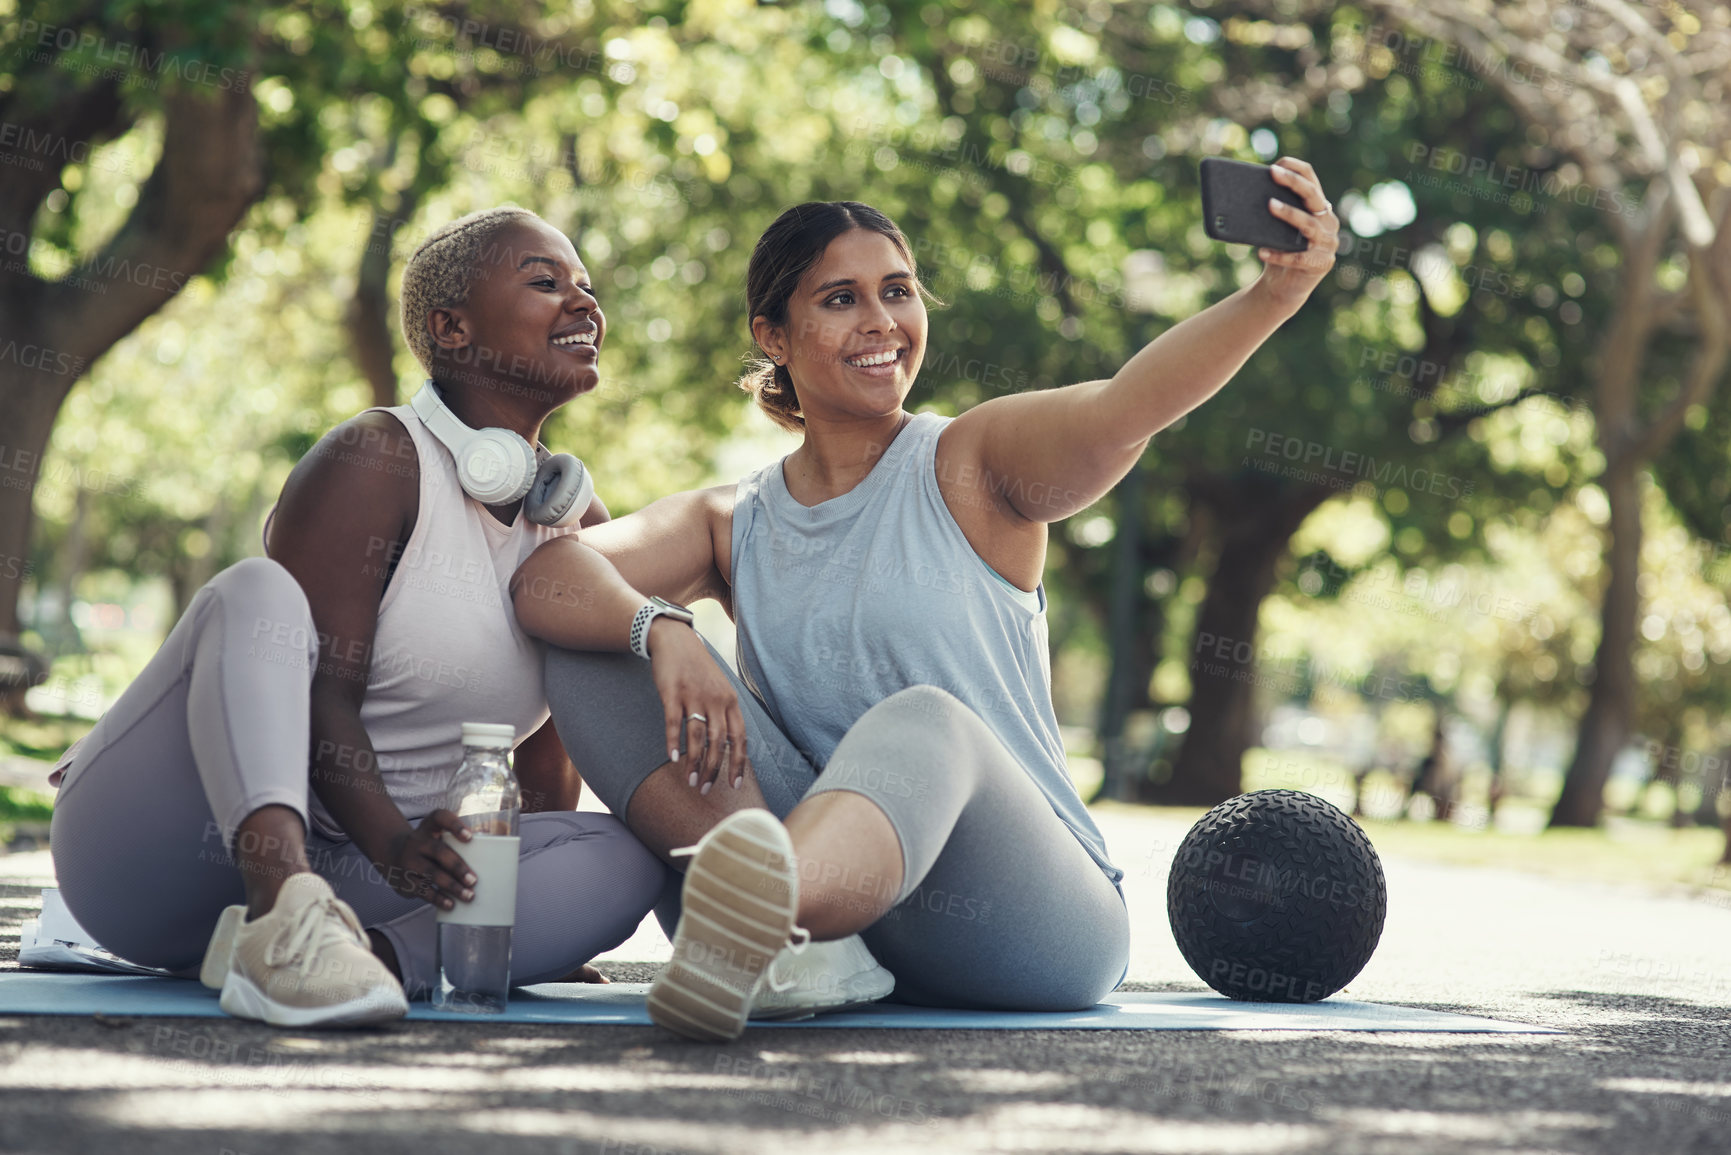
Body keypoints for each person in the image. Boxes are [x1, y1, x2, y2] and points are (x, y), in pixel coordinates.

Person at [516, 163, 1339, 1041]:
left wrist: (1273, 295)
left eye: (897, 291)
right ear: (775, 335)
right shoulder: (732, 520)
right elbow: (549, 579)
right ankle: (788, 937)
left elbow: (1123, 408)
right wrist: (661, 625)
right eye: (839, 299)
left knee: (927, 720)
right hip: (851, 918)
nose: (880, 322)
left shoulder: (971, 461)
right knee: (589, 634)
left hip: (1018, 919)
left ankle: (764, 917)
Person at [45, 206, 734, 1026]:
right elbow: (320, 697)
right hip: (162, 846)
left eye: (587, 287)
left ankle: (363, 963)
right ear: (450, 326)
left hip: (374, 881)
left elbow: (554, 762)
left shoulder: (575, 524)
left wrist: (541, 913)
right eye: (546, 283)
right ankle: (282, 912)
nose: (584, 305)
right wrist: (394, 844)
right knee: (253, 594)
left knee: (623, 856)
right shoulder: (373, 459)